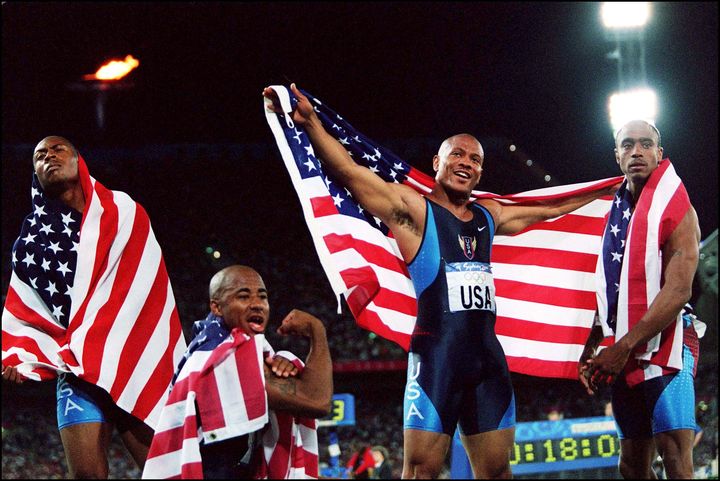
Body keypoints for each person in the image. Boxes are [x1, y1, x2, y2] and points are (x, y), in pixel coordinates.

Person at [264, 84, 619, 479]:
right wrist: (312, 122)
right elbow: (350, 172)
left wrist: (614, 190)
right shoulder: (412, 210)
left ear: (481, 171)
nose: (466, 163)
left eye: (476, 159)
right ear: (438, 161)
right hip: (437, 359)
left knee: (498, 472)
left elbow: (550, 208)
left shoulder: (490, 216)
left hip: (488, 363)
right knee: (420, 471)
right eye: (458, 154)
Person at [1, 136, 186, 478]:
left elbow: (147, 287)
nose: (49, 157)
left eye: (58, 150)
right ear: (35, 174)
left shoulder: (124, 211)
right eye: (40, 155)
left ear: (79, 161)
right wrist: (19, 356)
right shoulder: (30, 242)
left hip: (135, 361)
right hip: (77, 372)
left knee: (165, 472)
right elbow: (27, 312)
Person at [578, 120, 701, 479]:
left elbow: (679, 290)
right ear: (616, 156)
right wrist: (591, 347)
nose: (637, 151)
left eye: (646, 144)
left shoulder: (679, 209)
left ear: (659, 154)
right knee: (631, 465)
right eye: (628, 145)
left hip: (670, 339)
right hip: (623, 343)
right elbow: (607, 288)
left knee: (675, 458)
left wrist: (623, 347)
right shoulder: (609, 216)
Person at [142, 265, 333, 479]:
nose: (257, 304)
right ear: (217, 307)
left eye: (262, 297)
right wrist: (317, 330)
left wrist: (281, 364)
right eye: (243, 296)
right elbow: (318, 401)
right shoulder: (225, 359)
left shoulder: (209, 347)